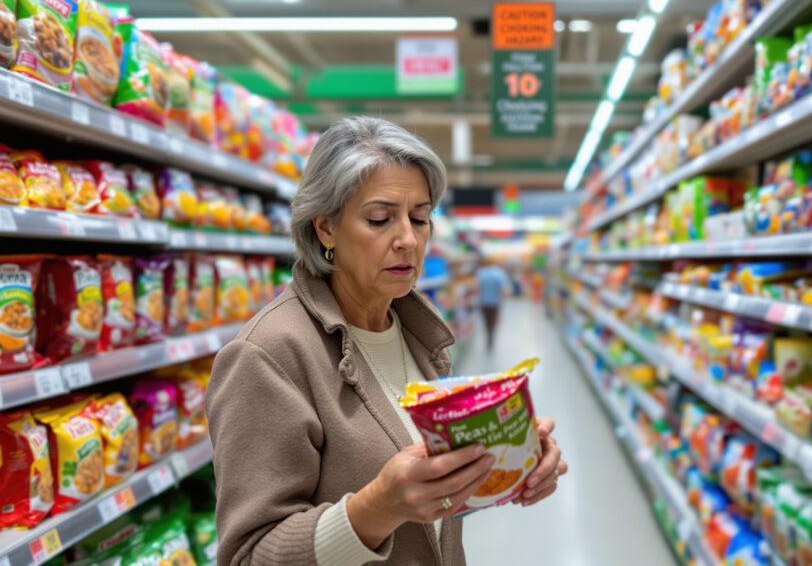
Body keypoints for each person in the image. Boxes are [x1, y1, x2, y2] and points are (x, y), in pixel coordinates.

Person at [206, 117, 568, 566]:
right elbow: (247, 555)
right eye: (380, 219)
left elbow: (431, 509)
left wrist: (507, 465)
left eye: (419, 218)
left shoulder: (419, 335)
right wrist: (375, 510)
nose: (407, 240)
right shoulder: (269, 355)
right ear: (326, 229)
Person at [475, 258, 512, 350]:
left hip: (483, 301)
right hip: (495, 302)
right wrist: (504, 298)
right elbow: (503, 289)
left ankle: (488, 335)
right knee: (493, 320)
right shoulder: (499, 273)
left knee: (486, 320)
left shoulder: (480, 273)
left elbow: (477, 288)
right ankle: (491, 337)